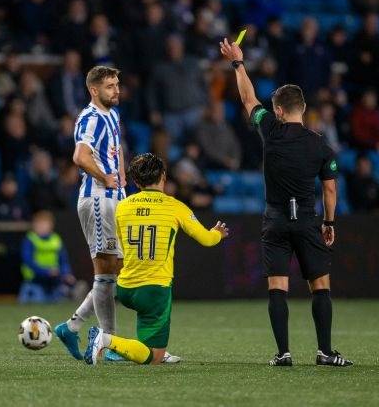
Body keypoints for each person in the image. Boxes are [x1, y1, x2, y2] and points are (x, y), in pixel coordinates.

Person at [219, 37, 353, 367]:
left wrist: (238, 63)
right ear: (303, 109)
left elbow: (248, 97)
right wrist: (329, 223)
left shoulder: (271, 130)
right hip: (308, 221)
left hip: (276, 221)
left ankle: (284, 353)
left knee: (277, 288)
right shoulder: (321, 146)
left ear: (278, 110)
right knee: (320, 287)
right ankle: (325, 352)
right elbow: (331, 191)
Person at [84, 153, 229, 365]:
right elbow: (207, 240)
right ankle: (106, 340)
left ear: (135, 181)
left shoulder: (123, 206)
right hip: (154, 289)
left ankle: (133, 348)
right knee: (154, 358)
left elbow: (120, 246)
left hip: (125, 287)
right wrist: (218, 233)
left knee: (149, 341)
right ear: (163, 176)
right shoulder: (174, 206)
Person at [55, 66, 126, 362]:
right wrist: (105, 177)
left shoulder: (112, 114)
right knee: (106, 271)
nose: (116, 90)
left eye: (117, 84)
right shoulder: (90, 118)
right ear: (94, 90)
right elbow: (80, 157)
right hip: (97, 200)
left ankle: (72, 327)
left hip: (114, 199)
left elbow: (116, 148)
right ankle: (106, 342)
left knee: (116, 270)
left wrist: (121, 176)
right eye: (110, 86)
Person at [18, 210, 75, 303]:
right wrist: (46, 271)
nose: (42, 227)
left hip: (54, 281)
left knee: (61, 301)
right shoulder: (30, 239)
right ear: (34, 225)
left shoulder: (56, 239)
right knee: (37, 303)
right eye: (39, 225)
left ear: (51, 225)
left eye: (45, 224)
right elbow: (28, 261)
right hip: (34, 281)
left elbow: (63, 260)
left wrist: (66, 274)